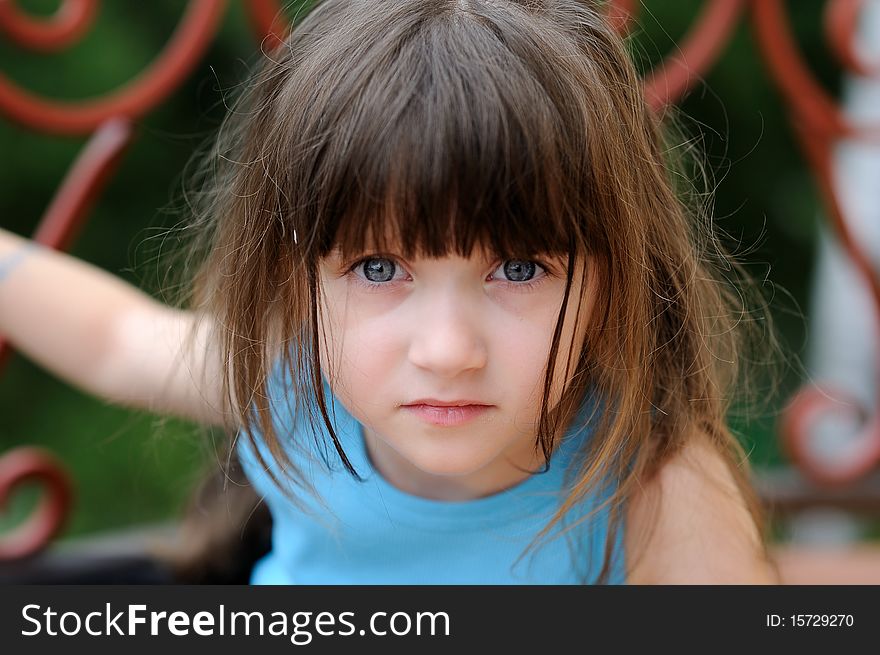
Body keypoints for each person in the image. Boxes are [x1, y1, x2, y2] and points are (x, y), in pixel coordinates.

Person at [0, 0, 779, 584]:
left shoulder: (653, 485)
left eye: (518, 269)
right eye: (379, 269)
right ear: (292, 278)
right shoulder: (292, 377)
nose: (447, 351)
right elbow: (114, 340)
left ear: (617, 278)